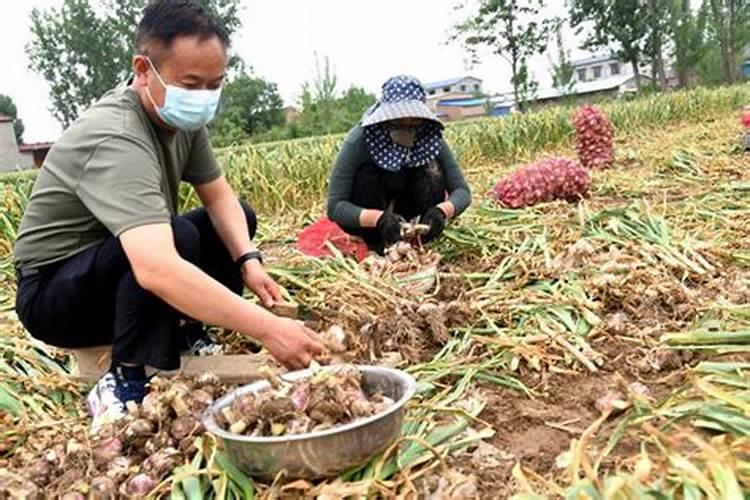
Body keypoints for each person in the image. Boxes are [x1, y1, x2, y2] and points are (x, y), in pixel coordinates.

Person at [12, 0, 322, 426]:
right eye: (191, 84)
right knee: (174, 239)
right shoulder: (116, 135)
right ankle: (124, 379)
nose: (203, 98)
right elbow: (156, 267)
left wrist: (248, 260)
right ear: (143, 70)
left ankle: (186, 333)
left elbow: (219, 197)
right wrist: (268, 328)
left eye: (215, 84)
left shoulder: (178, 121)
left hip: (112, 266)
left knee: (233, 222)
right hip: (55, 294)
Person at [326, 75, 471, 254]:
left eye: (414, 121)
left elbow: (462, 192)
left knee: (432, 169)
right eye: (398, 121)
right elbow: (335, 206)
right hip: (372, 214)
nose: (407, 127)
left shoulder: (429, 138)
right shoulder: (360, 140)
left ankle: (421, 236)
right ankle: (377, 243)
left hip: (410, 211)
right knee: (366, 175)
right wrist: (379, 219)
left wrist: (442, 211)